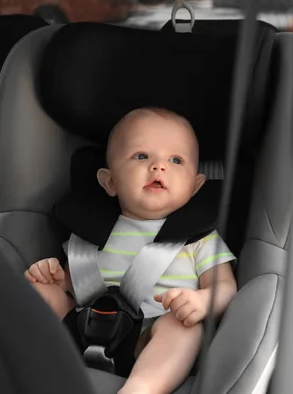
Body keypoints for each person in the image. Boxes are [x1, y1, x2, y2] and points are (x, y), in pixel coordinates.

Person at [25, 107, 237, 394]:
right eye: (141, 156)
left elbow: (225, 286)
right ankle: (26, 368)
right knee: (36, 291)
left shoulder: (200, 239)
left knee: (183, 329)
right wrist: (51, 276)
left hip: (147, 338)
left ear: (195, 186)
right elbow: (72, 282)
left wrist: (201, 301)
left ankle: (142, 388)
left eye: (176, 160)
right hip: (83, 324)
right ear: (110, 181)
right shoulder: (90, 231)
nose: (158, 167)